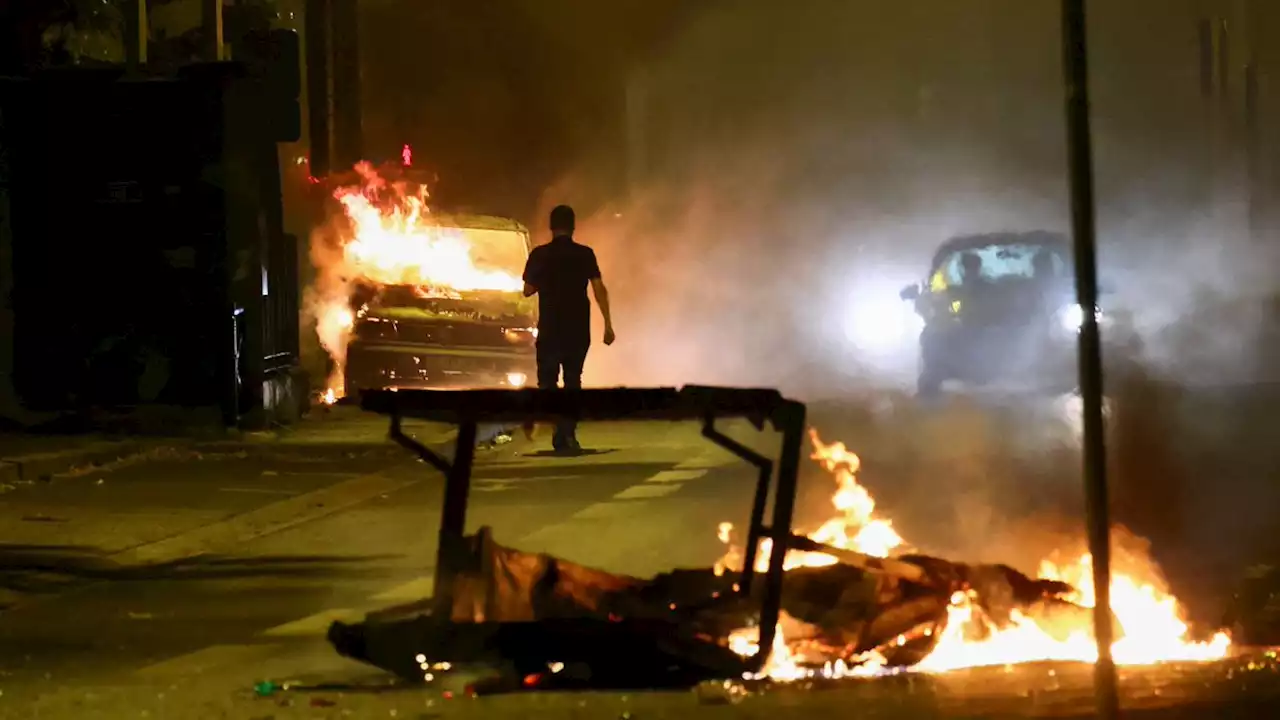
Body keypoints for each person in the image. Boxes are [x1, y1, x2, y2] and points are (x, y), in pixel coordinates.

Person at [521, 204, 615, 453]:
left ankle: (556, 430)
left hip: (550, 329)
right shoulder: (585, 254)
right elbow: (599, 289)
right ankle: (568, 434)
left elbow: (528, 290)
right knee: (573, 381)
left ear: (551, 227)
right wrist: (608, 324)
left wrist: (545, 281)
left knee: (548, 383)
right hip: (577, 329)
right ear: (573, 227)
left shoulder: (539, 255)